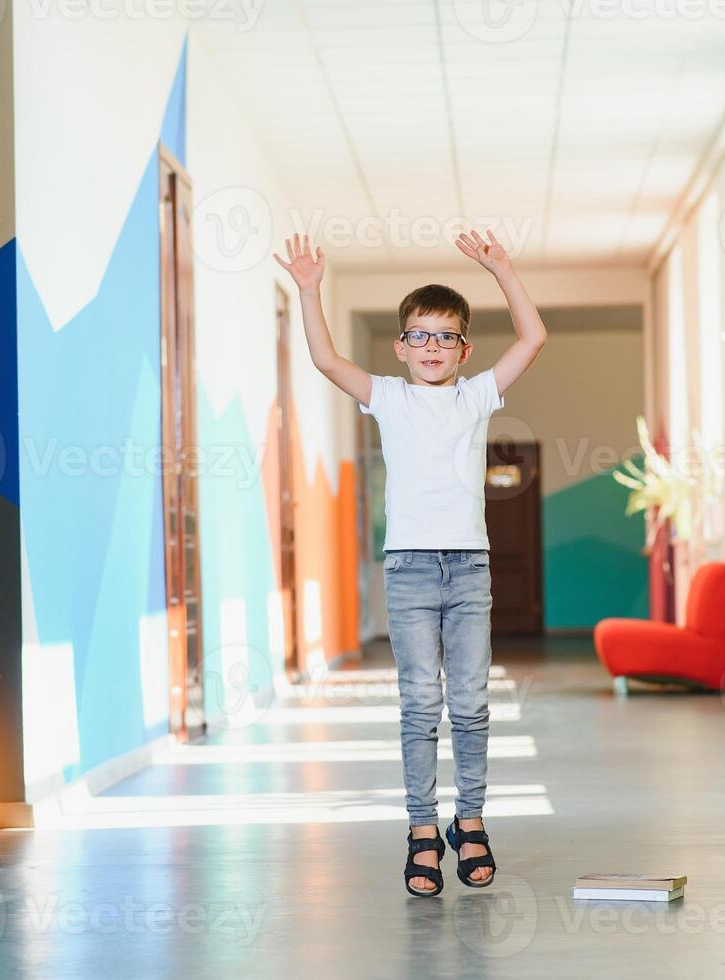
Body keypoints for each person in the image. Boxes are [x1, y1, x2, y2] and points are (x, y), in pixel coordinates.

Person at [273, 229, 547, 897]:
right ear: (401, 347)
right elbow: (327, 361)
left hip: (470, 570)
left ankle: (471, 821)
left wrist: (504, 270)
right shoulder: (388, 397)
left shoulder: (476, 395)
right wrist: (308, 292)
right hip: (410, 571)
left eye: (444, 336)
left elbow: (532, 338)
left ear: (463, 348)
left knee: (474, 704)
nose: (430, 347)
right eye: (418, 336)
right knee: (420, 703)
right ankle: (423, 829)